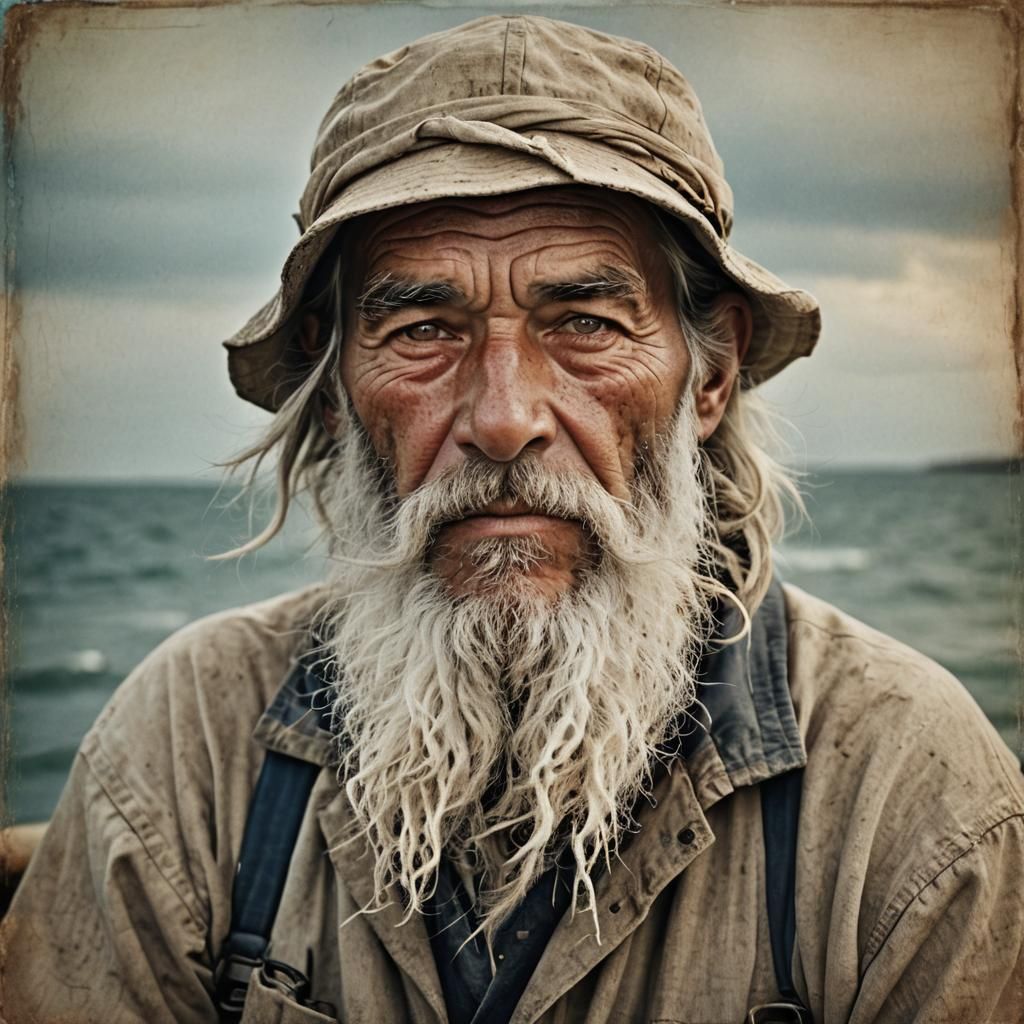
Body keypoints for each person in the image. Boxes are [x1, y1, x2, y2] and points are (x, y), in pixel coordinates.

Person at [2, 14, 1022, 1024]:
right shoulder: (187, 745)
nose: (501, 419)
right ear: (332, 390)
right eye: (421, 328)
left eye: (583, 322)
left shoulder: (907, 792)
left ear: (707, 372)